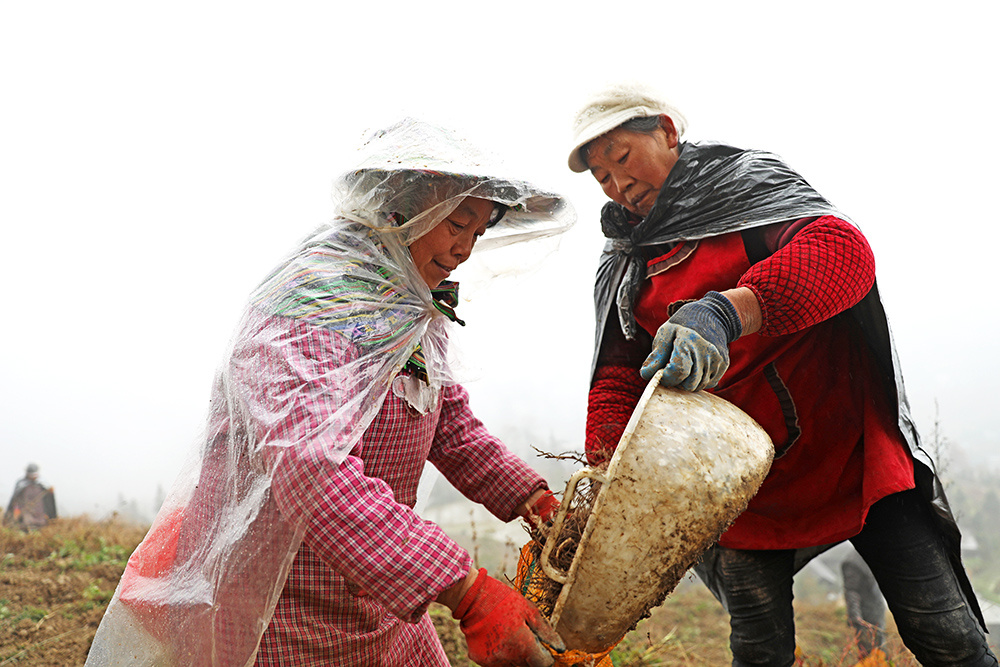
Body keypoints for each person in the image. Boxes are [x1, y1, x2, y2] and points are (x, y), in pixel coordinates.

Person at [86, 118, 574, 667]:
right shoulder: (313, 303)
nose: (464, 248)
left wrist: (535, 501)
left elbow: (449, 424)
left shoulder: (413, 304)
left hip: (375, 581)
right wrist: (466, 589)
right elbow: (309, 465)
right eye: (456, 223)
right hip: (279, 598)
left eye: (477, 233)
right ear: (397, 212)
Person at [568, 82, 996, 667]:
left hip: (848, 451)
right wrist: (605, 476)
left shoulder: (746, 188)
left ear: (667, 132)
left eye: (622, 158)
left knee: (946, 635)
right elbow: (617, 377)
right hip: (737, 485)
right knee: (759, 648)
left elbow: (844, 252)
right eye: (601, 177)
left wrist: (726, 311)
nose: (619, 185)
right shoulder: (628, 260)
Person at [840, 547, 886, 663]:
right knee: (869, 653)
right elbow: (851, 591)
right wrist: (856, 617)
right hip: (865, 617)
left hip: (876, 611)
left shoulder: (872, 552)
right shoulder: (853, 562)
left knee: (879, 651)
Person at [4, 463, 55, 531]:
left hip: (40, 513)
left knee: (40, 529)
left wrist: (50, 492)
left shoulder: (42, 484)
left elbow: (49, 500)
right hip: (26, 512)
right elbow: (15, 499)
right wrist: (13, 513)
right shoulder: (21, 483)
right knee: (26, 527)